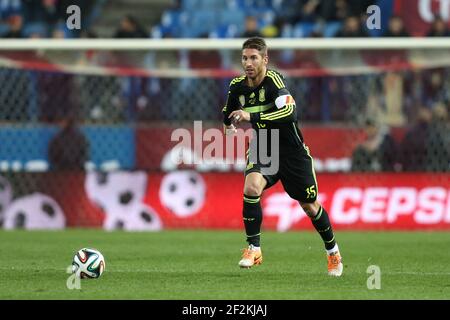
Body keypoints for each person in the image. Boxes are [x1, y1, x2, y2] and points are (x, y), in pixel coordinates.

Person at [222, 37, 343, 276]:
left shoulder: (274, 81)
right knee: (251, 187)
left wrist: (251, 118)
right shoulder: (237, 86)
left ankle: (333, 252)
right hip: (264, 145)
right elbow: (228, 110)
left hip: (291, 151)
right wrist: (228, 125)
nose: (248, 63)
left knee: (309, 206)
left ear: (265, 59)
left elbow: (290, 113)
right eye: (245, 58)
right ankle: (253, 248)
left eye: (254, 58)